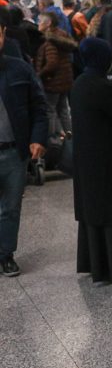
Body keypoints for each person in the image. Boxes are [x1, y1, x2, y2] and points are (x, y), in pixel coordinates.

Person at [70, 39, 112, 283]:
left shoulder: (78, 84)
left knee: (93, 211)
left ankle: (97, 266)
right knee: (111, 211)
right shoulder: (102, 87)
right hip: (108, 160)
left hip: (86, 161)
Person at [0, 21, 49, 277]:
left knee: (10, 207)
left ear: (3, 35)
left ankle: (6, 254)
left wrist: (38, 137)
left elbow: (39, 106)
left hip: (12, 151)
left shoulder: (19, 68)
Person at [34, 13, 76, 135]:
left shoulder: (50, 41)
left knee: (50, 110)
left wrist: (40, 74)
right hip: (65, 79)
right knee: (63, 109)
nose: (38, 23)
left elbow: (52, 62)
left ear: (48, 24)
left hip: (52, 81)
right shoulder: (62, 36)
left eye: (40, 21)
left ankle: (53, 138)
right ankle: (69, 135)